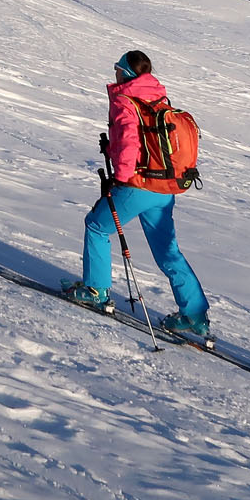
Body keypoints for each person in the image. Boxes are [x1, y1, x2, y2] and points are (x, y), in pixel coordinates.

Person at [63, 50, 212, 337]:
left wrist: (120, 178)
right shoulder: (157, 97)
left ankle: (96, 290)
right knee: (168, 252)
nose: (115, 72)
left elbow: (131, 142)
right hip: (164, 189)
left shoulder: (125, 100)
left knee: (96, 226)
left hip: (138, 185)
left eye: (117, 68)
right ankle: (194, 315)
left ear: (127, 73)